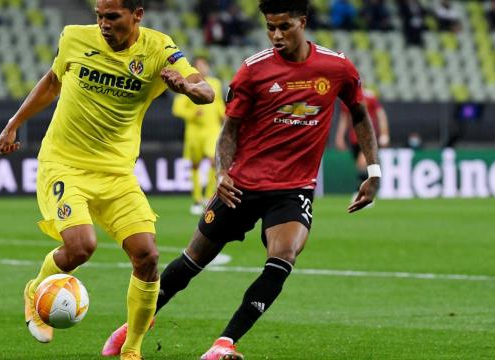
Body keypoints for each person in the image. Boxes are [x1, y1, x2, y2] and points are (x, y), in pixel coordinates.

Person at [101, 0, 381, 359]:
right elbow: (229, 130)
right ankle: (135, 324)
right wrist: (223, 173)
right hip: (242, 185)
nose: (276, 35)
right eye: (270, 27)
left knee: (285, 255)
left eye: (284, 27)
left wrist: (373, 171)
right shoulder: (253, 71)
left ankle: (224, 344)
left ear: (303, 22)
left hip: (293, 188)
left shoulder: (336, 67)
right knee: (191, 262)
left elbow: (359, 113)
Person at [0, 0, 214, 359]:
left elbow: (205, 90)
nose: (103, 24)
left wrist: (188, 89)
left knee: (147, 255)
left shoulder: (160, 48)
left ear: (137, 15)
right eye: (99, 16)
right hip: (65, 164)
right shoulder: (75, 38)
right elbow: (52, 82)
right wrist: (13, 123)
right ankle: (36, 292)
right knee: (81, 247)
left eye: (111, 17)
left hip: (117, 173)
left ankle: (131, 350)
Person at [171, 56, 225, 215]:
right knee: (195, 165)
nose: (203, 68)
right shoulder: (187, 83)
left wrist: (224, 114)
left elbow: (218, 103)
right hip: (194, 133)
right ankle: (196, 198)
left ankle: (208, 197)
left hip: (212, 130)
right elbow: (177, 109)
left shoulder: (214, 83)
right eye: (199, 66)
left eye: (205, 65)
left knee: (212, 161)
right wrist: (193, 113)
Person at [335, 87, 389, 190]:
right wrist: (339, 137)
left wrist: (384, 134)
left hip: (369, 136)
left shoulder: (370, 97)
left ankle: (362, 191)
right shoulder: (347, 99)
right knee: (361, 166)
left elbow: (381, 115)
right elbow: (344, 119)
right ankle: (369, 189)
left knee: (362, 163)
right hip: (354, 138)